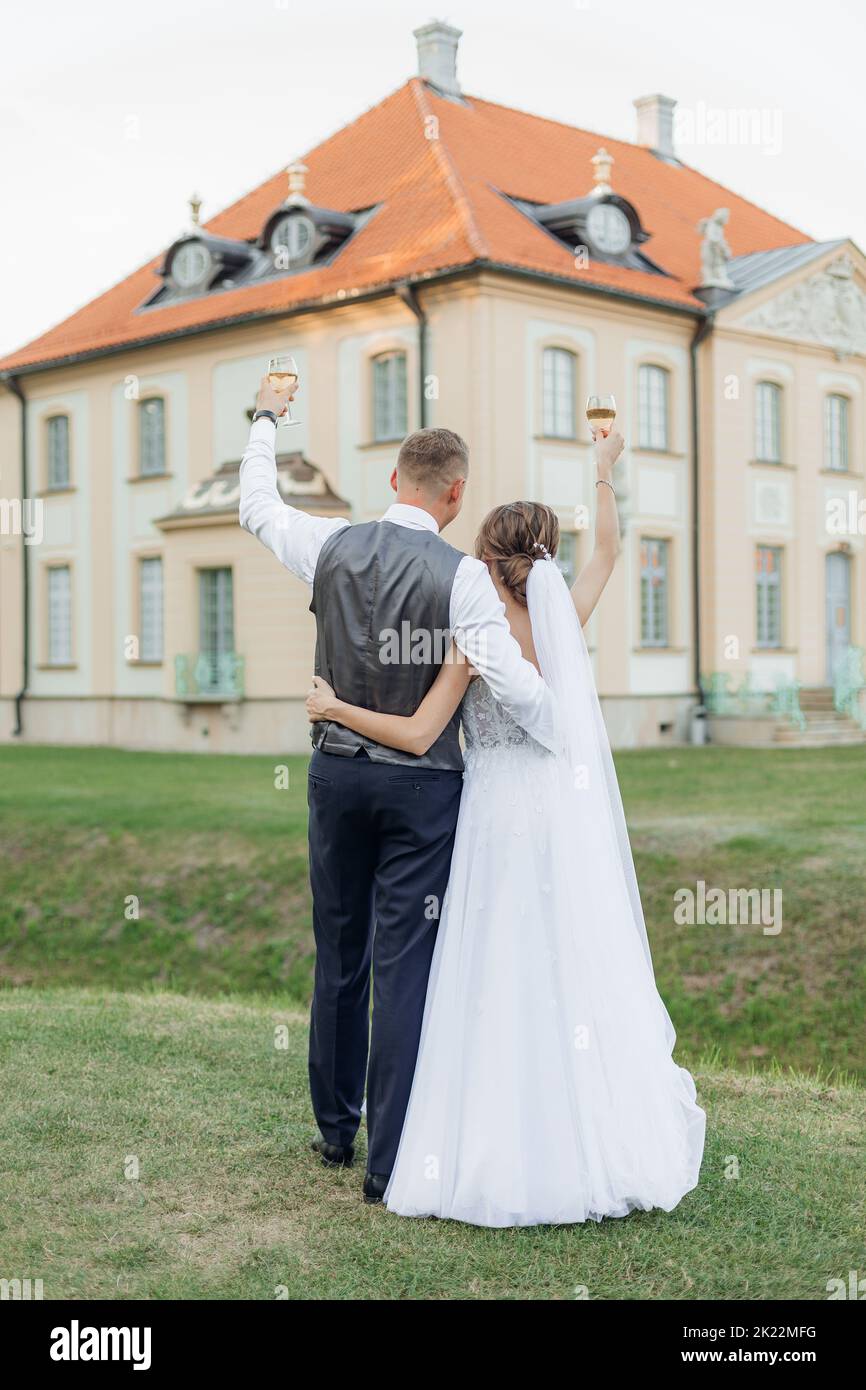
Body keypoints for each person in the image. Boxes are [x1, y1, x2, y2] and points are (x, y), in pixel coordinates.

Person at [306, 456, 706, 1226]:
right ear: (544, 561)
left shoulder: (473, 635)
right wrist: (603, 473)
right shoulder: (562, 621)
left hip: (489, 817)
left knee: (484, 973)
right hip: (552, 817)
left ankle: (482, 1136)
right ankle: (583, 1131)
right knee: (562, 969)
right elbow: (611, 555)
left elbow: (422, 732)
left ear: (486, 558)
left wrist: (335, 706)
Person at [239, 376, 560, 1204]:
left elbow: (255, 505)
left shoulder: (331, 543)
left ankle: (335, 1132)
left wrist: (269, 419)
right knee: (404, 963)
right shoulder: (462, 580)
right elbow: (515, 687)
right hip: (422, 792)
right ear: (455, 494)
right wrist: (564, 728)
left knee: (338, 955)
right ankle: (391, 1160)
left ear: (393, 482)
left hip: (336, 774)